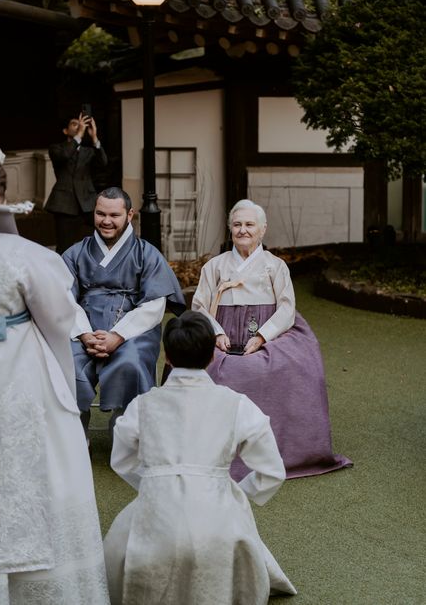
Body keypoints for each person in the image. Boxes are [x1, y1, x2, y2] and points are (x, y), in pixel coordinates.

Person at [0, 143, 110, 605]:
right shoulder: (28, 256)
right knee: (33, 461)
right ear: (3, 195)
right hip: (16, 371)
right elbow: (60, 319)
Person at [103, 310, 297, 605]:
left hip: (154, 523)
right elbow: (272, 472)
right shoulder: (238, 406)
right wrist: (234, 494)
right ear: (211, 357)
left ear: (166, 356)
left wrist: (156, 482)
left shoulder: (142, 406)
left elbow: (122, 460)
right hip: (218, 526)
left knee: (120, 555)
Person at [192, 198, 352, 481]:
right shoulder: (215, 266)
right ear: (230, 229)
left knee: (294, 366)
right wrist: (216, 331)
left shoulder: (275, 266)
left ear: (263, 229)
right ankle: (211, 452)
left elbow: (287, 308)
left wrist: (263, 337)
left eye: (249, 224)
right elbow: (199, 307)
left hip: (267, 331)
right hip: (223, 334)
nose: (243, 230)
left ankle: (283, 450)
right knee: (210, 368)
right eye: (237, 224)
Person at [62, 186, 186, 439]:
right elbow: (63, 297)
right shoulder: (75, 253)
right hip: (82, 329)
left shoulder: (146, 253)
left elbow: (154, 305)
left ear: (130, 215)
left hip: (132, 333)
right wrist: (85, 335)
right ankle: (75, 435)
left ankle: (124, 433)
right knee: (66, 364)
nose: (106, 221)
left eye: (114, 215)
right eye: (100, 214)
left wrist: (117, 336)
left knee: (130, 363)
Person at [45, 112, 108, 254]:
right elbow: (65, 156)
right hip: (64, 205)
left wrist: (94, 137)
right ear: (65, 131)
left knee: (104, 239)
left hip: (88, 204)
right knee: (64, 247)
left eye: (81, 124)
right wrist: (79, 134)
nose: (80, 126)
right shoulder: (56, 148)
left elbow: (103, 163)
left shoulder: (88, 151)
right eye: (74, 124)